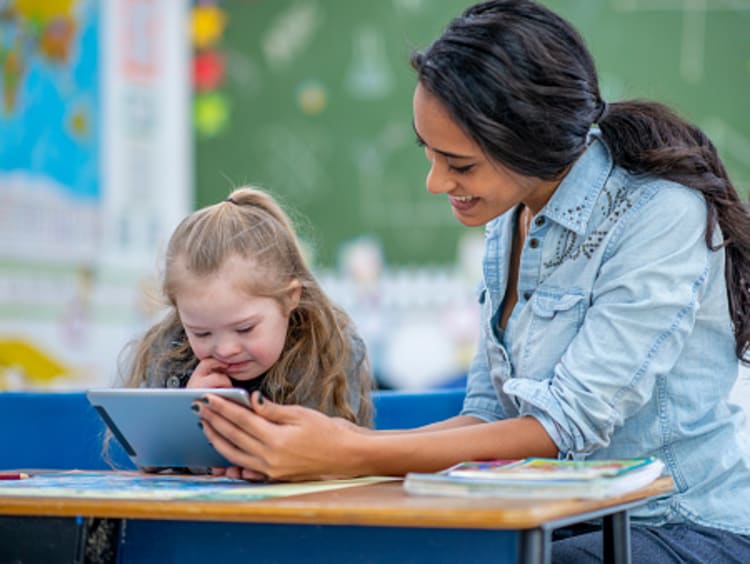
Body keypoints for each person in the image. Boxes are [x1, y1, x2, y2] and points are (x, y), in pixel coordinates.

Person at [191, 1, 750, 560]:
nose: (436, 183)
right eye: (429, 155)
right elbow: (490, 415)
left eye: (459, 165)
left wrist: (348, 452)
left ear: (529, 142)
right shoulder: (510, 218)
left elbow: (564, 426)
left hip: (678, 525)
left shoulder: (660, 214)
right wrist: (336, 446)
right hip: (560, 521)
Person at [120, 186, 373, 428]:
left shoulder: (328, 354)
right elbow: (151, 461)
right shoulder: (167, 354)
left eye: (245, 329)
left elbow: (329, 457)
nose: (226, 350)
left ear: (290, 297)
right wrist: (187, 415)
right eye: (201, 333)